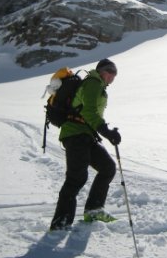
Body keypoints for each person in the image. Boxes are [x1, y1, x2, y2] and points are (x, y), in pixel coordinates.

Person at [50, 58, 121, 231]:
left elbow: (92, 113)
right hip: (75, 134)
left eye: (115, 74)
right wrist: (106, 131)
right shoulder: (92, 83)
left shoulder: (100, 88)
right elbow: (88, 111)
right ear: (101, 71)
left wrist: (106, 130)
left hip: (86, 135)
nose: (112, 76)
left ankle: (94, 210)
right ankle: (61, 222)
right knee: (76, 178)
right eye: (110, 71)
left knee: (108, 168)